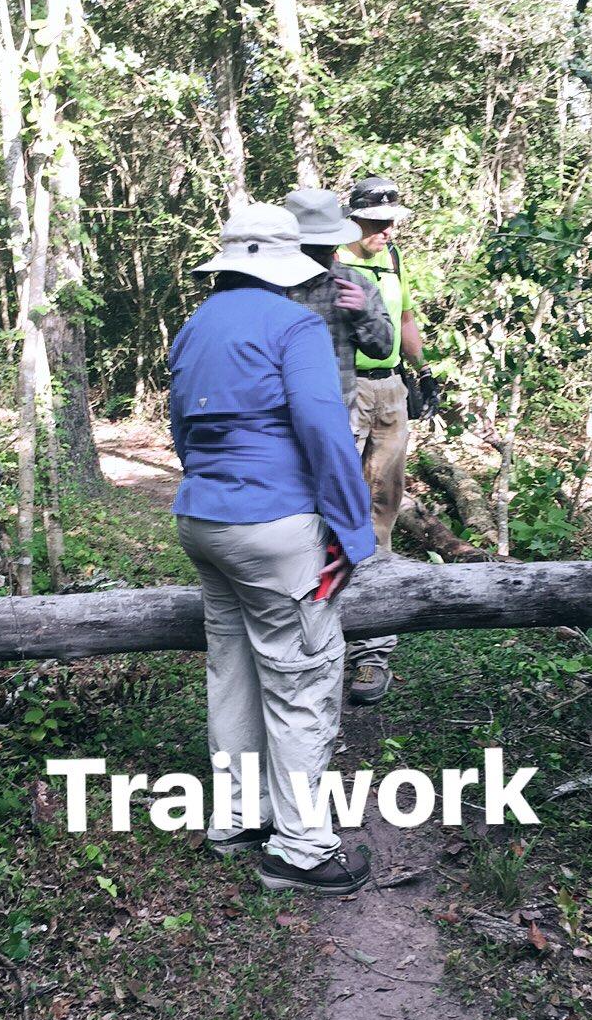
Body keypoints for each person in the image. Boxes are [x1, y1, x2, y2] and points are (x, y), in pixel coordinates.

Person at [169, 203, 376, 895]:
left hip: (203, 522)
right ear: (284, 266)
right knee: (300, 677)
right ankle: (302, 849)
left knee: (233, 670)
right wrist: (352, 532)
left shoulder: (193, 326)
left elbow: (182, 431)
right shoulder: (295, 324)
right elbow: (325, 431)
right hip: (277, 530)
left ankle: (238, 818)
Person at [337, 176, 441, 706]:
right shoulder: (327, 260)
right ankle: (325, 625)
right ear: (351, 218)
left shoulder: (395, 259)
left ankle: (372, 647)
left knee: (383, 505)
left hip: (390, 389)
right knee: (336, 504)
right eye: (375, 221)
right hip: (343, 388)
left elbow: (405, 317)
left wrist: (424, 373)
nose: (384, 229)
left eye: (391, 220)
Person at [283, 189, 394, 422]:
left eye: (325, 246)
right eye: (309, 246)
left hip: (337, 413)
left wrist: (364, 313)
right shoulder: (269, 282)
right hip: (278, 415)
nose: (317, 254)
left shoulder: (353, 282)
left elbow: (383, 349)